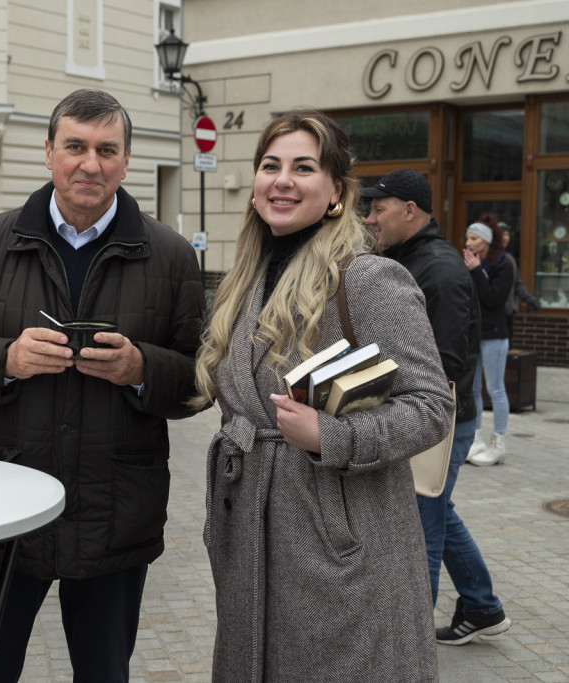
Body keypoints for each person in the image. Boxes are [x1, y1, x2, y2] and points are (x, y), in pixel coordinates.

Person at [0, 88, 205, 682]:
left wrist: (142, 369)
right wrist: (8, 358)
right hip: (5, 505)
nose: (89, 163)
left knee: (103, 674)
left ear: (126, 161)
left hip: (114, 514)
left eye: (106, 149)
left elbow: (202, 379)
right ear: (48, 153)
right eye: (75, 146)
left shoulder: (171, 256)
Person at [193, 111, 453, 681]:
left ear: (337, 190)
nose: (282, 180)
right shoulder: (245, 277)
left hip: (337, 538)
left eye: (303, 168)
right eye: (270, 165)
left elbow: (432, 406)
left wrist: (332, 436)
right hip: (252, 528)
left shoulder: (366, 279)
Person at [363, 169, 512, 645]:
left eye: (378, 210)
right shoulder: (408, 258)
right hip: (432, 417)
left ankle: (408, 648)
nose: (369, 219)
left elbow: (443, 365)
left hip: (439, 421)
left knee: (420, 532)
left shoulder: (440, 271)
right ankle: (483, 607)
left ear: (409, 211)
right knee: (437, 510)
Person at [462, 221, 515, 466]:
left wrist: (475, 271)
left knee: (496, 388)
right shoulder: (473, 263)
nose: (468, 243)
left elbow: (493, 299)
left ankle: (499, 442)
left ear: (485, 241)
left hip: (495, 335)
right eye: (467, 238)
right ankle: (476, 439)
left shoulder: (503, 264)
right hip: (476, 334)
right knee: (473, 389)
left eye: (473, 238)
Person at [478, 213, 540, 339]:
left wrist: (531, 300)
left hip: (506, 313)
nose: (504, 238)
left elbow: (517, 284)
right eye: (501, 234)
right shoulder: (483, 260)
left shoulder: (509, 260)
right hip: (488, 315)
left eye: (506, 234)